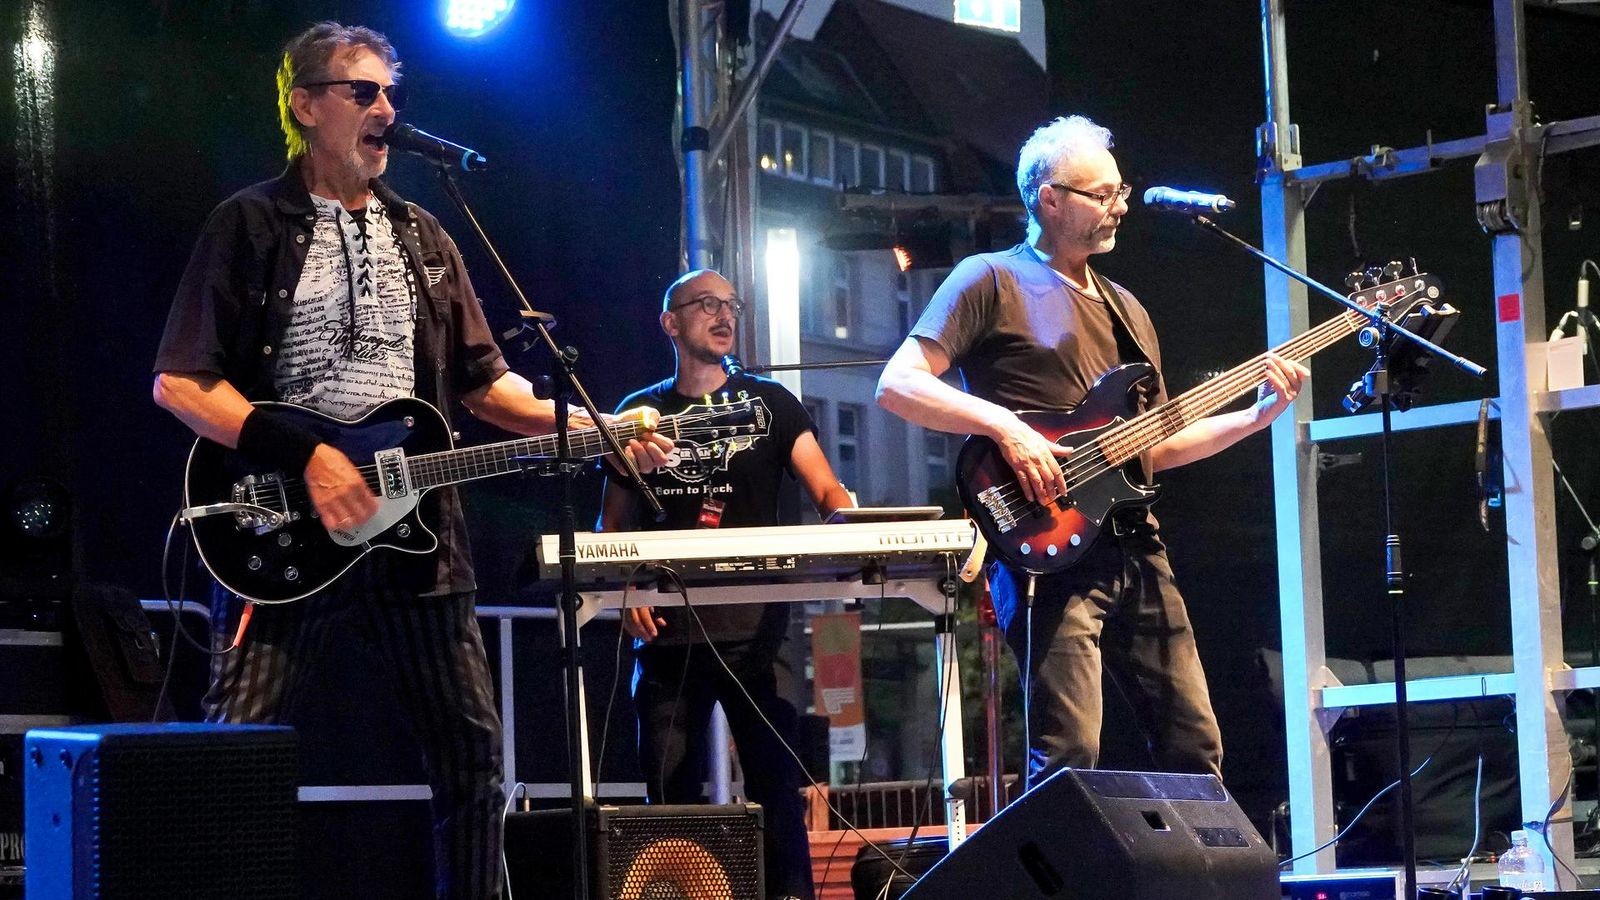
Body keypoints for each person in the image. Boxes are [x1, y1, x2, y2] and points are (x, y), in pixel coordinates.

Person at [151, 23, 669, 899]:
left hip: (418, 534)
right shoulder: (250, 223)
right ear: (305, 105)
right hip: (280, 525)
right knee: (235, 749)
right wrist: (311, 454)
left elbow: (488, 387)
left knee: (472, 755)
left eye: (392, 93)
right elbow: (180, 382)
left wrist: (599, 428)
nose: (387, 110)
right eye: (363, 92)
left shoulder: (425, 235)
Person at [875, 115, 1308, 786]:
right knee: (1069, 751)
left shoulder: (1126, 309)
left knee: (1195, 745)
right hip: (1043, 540)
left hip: (1136, 544)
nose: (1120, 207)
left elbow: (1156, 445)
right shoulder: (990, 279)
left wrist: (1254, 419)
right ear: (1049, 199)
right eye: (1102, 194)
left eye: (1121, 192)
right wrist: (1007, 428)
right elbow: (897, 385)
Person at [597, 269, 852, 900]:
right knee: (670, 798)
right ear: (670, 322)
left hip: (758, 629)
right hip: (667, 634)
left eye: (731, 304)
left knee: (776, 787)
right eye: (706, 304)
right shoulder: (638, 415)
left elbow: (826, 489)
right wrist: (627, 588)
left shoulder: (772, 403)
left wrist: (857, 529)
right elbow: (611, 526)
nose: (724, 315)